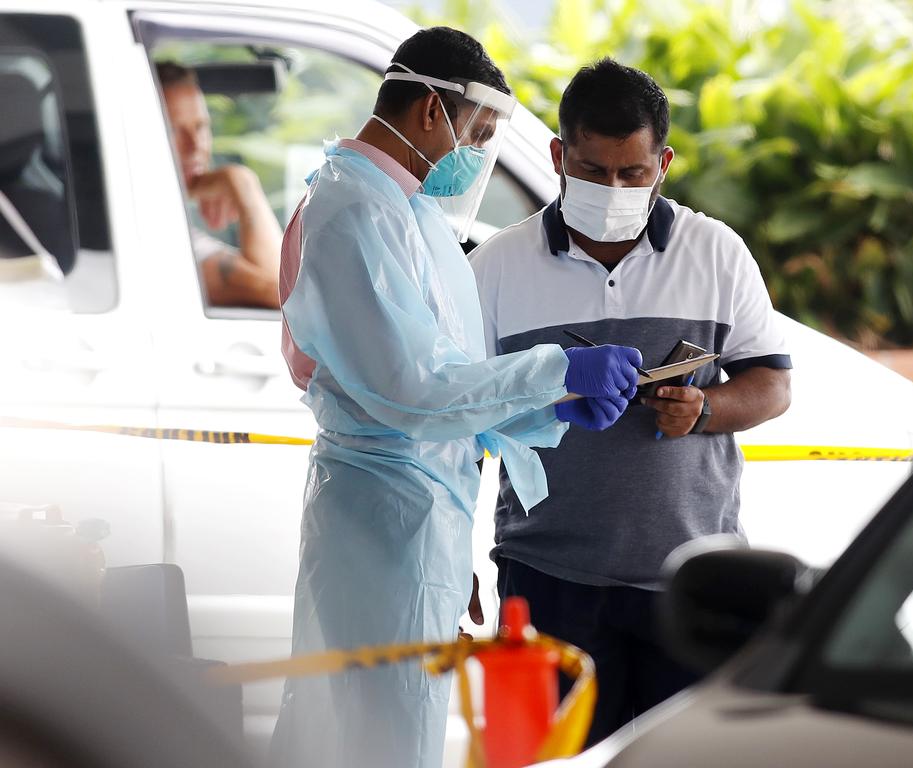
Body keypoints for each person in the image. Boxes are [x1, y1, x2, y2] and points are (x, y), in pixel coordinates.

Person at [271, 29, 642, 768]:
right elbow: (408, 391)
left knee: (394, 729)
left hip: (416, 521)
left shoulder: (406, 213)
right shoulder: (352, 212)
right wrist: (557, 371)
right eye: (476, 132)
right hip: (377, 525)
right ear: (430, 112)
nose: (474, 153)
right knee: (370, 737)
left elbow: (445, 377)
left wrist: (542, 410)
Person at [471, 58, 793, 745]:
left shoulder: (717, 254)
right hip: (547, 576)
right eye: (591, 172)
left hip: (690, 582)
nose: (612, 189)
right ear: (558, 155)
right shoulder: (497, 267)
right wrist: (448, 560)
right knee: (546, 756)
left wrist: (705, 410)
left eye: (632, 173)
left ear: (664, 162)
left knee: (678, 759)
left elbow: (772, 384)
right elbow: (459, 418)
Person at [157, 62, 282, 309]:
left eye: (201, 127)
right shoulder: (151, 235)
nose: (195, 146)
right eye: (173, 130)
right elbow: (285, 296)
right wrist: (241, 181)